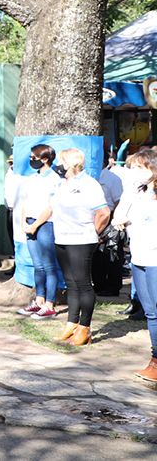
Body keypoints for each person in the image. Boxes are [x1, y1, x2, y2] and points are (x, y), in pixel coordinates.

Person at [47, 148, 111, 346]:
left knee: (83, 284)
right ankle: (71, 324)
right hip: (62, 238)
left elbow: (104, 213)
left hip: (81, 240)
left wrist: (93, 232)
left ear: (70, 163)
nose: (58, 164)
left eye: (61, 161)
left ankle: (85, 328)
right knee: (70, 283)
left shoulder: (89, 184)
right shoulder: (61, 183)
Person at [118, 149, 157, 383]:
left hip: (155, 260)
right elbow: (119, 214)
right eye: (133, 168)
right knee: (151, 313)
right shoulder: (136, 193)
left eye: (140, 168)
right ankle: (155, 360)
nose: (135, 172)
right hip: (138, 258)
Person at [19, 144, 62, 319]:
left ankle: (50, 304)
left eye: (34, 157)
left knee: (49, 266)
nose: (31, 160)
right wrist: (24, 222)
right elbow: (25, 202)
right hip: (29, 223)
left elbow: (50, 207)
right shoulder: (31, 178)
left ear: (45, 159)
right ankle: (39, 301)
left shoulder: (55, 179)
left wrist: (36, 224)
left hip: (45, 224)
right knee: (37, 265)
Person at [94, 157, 126, 296]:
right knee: (96, 256)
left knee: (112, 254)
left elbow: (119, 201)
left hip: (109, 218)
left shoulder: (112, 178)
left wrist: (114, 221)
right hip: (93, 219)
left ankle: (113, 287)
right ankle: (99, 284)